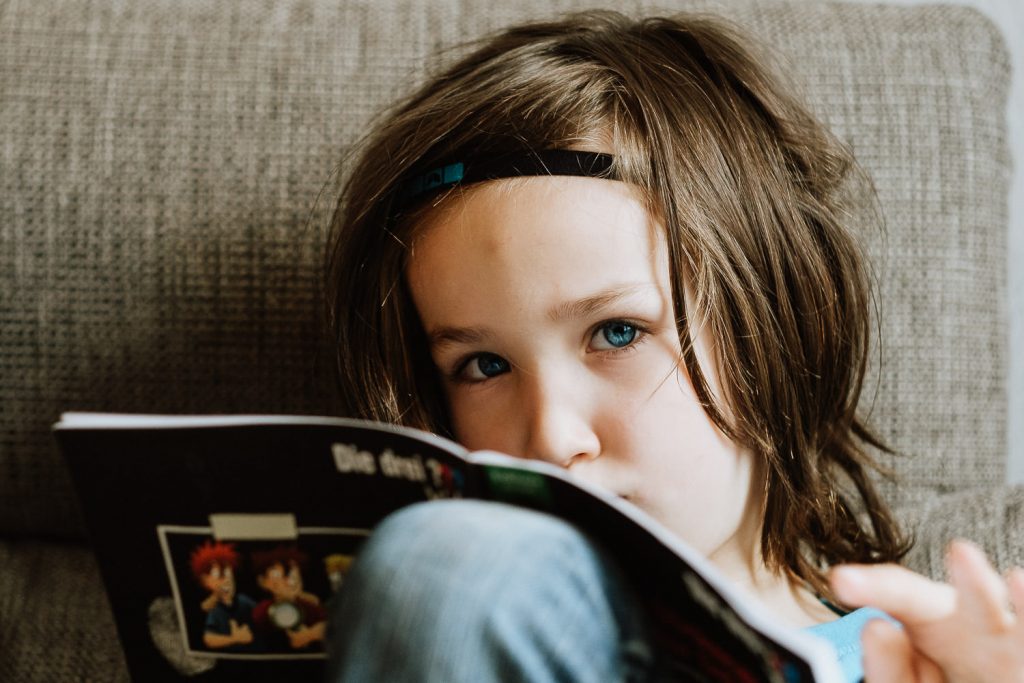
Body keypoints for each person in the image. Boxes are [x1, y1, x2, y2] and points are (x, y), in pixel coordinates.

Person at [321, 10, 1024, 682]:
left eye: (617, 332)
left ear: (770, 327)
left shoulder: (908, 660)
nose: (553, 438)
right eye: (485, 366)